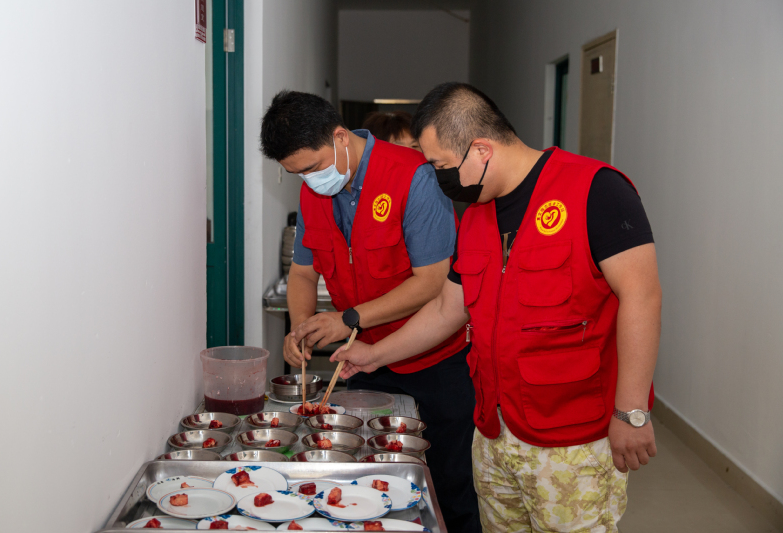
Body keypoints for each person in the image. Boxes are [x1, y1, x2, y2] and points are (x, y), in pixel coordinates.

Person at [332, 82, 662, 533]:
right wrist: (373, 354)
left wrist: (631, 412)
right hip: (493, 433)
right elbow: (448, 309)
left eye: (441, 166)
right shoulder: (477, 216)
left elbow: (642, 298)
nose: (440, 179)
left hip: (572, 439)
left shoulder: (595, 190)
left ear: (482, 150)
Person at [259, 90, 482, 533]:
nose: (309, 180)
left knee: (448, 489)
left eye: (312, 167)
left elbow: (432, 280)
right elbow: (302, 274)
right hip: (366, 362)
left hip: (434, 360)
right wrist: (301, 328)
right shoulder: (314, 192)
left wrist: (348, 318)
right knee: (370, 485)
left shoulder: (413, 176)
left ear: (341, 137)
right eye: (297, 174)